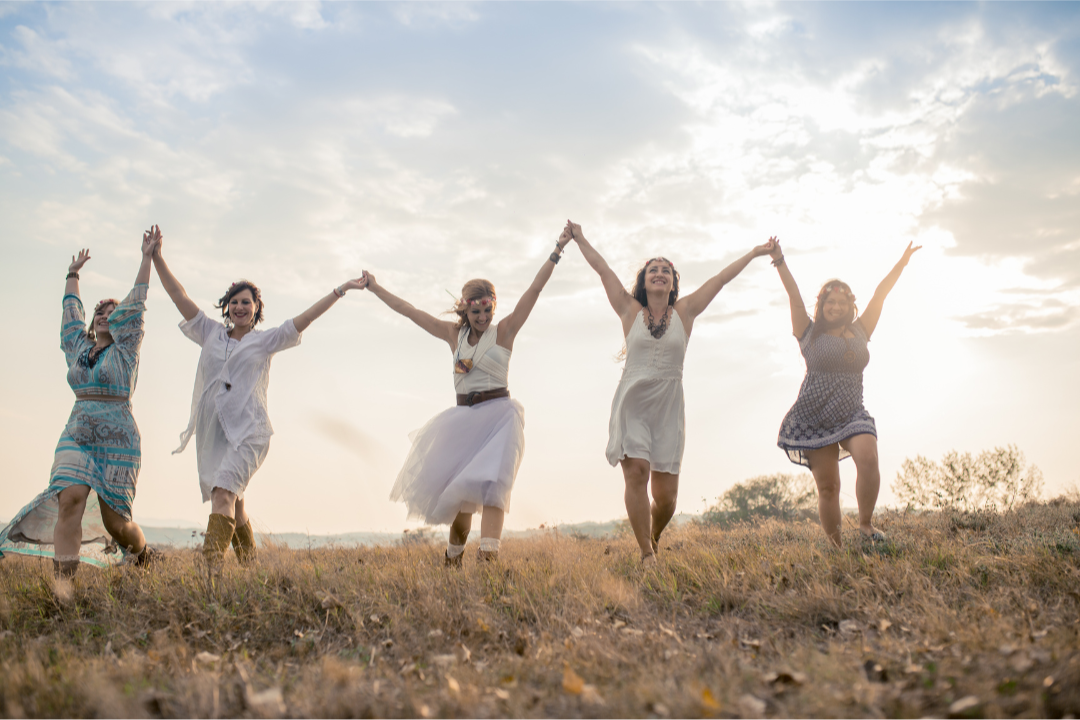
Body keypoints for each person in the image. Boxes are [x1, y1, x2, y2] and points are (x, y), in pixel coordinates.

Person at [152, 233, 366, 567]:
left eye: (246, 302)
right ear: (227, 307)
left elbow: (306, 318)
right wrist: (156, 257)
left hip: (248, 432)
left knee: (222, 494)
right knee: (234, 504)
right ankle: (251, 568)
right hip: (215, 433)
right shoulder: (209, 332)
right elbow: (178, 295)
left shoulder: (266, 341)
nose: (240, 307)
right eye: (234, 301)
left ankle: (211, 572)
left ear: (256, 309)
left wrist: (341, 289)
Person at [567, 221, 775, 563]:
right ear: (644, 280)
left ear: (673, 281)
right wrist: (579, 238)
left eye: (666, 270)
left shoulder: (686, 311)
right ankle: (647, 555)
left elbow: (720, 280)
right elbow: (602, 269)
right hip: (633, 401)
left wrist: (754, 253)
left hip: (668, 406)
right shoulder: (628, 309)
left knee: (666, 500)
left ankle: (653, 535)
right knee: (637, 473)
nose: (660, 273)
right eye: (653, 269)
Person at [363, 227, 572, 565]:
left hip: (500, 416)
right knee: (461, 498)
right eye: (475, 312)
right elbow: (408, 310)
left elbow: (534, 289)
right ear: (465, 310)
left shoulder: (504, 331)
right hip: (463, 421)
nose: (482, 317)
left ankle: (489, 554)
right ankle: (453, 557)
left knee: (494, 487)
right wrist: (375, 287)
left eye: (487, 310)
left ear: (493, 307)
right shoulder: (453, 335)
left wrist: (556, 251)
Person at [0, 227, 162, 577]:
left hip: (118, 439)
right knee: (69, 499)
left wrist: (147, 257)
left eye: (112, 311)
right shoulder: (78, 347)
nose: (105, 314)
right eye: (100, 311)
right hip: (76, 433)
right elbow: (71, 313)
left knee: (117, 524)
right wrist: (72, 274)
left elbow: (137, 300)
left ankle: (143, 554)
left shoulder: (126, 350)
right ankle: (64, 590)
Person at [768, 239, 921, 547]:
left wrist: (901, 265)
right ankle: (836, 549)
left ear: (851, 305)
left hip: (852, 411)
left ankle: (865, 526)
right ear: (822, 307)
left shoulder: (861, 330)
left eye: (841, 303)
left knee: (868, 456)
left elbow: (880, 294)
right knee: (828, 487)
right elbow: (794, 296)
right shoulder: (809, 333)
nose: (835, 307)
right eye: (829, 303)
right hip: (814, 414)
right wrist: (780, 260)